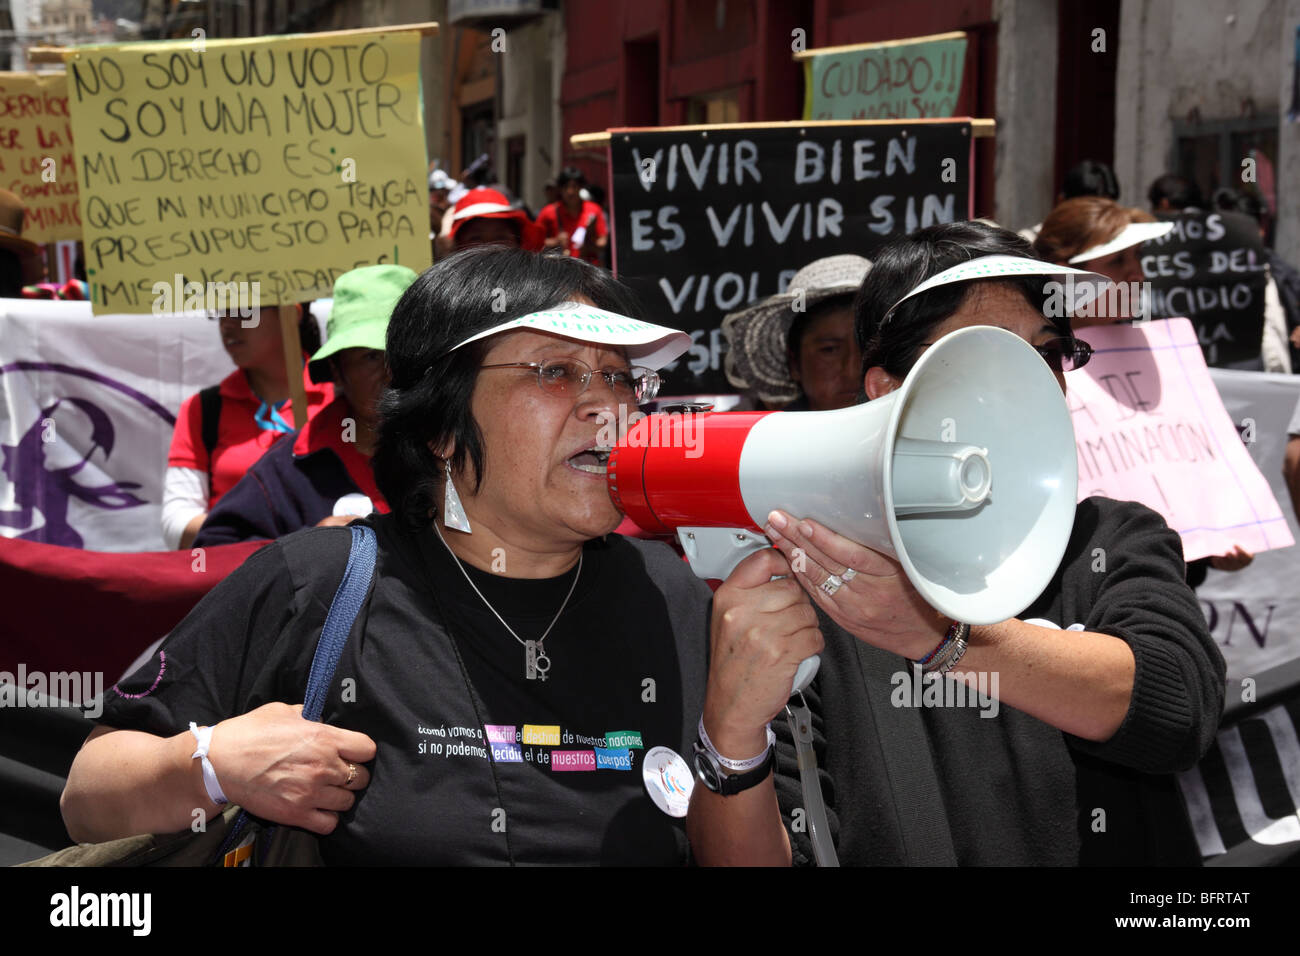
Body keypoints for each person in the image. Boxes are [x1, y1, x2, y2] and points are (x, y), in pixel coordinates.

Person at [61, 247, 766, 865]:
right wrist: (214, 765)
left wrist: (736, 739)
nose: (605, 406)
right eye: (556, 371)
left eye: (619, 377)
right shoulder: (317, 583)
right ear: (441, 428)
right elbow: (88, 797)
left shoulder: (677, 599)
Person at [688, 221, 1225, 866]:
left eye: (1047, 354)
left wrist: (944, 637)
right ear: (888, 391)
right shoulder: (808, 584)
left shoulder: (1109, 539)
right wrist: (732, 740)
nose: (1032, 383)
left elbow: (1178, 711)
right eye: (987, 356)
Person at [192, 266, 414, 546]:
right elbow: (213, 553)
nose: (391, 371)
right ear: (336, 369)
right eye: (371, 356)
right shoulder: (289, 470)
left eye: (406, 353)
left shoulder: (468, 448)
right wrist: (305, 551)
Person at [161, 304, 332, 549]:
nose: (227, 323)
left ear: (291, 313)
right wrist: (280, 543)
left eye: (245, 310)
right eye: (221, 310)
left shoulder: (340, 401)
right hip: (233, 581)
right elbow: (175, 524)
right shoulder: (204, 408)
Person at [722, 255, 872, 410]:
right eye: (830, 349)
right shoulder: (774, 433)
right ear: (794, 363)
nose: (853, 371)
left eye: (867, 347)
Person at [1032, 197, 1172, 325]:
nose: (1138, 276)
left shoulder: (1158, 344)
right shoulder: (1027, 350)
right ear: (1065, 276)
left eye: (1138, 254)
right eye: (1117, 261)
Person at [537, 166, 608, 264]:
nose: (570, 191)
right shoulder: (548, 212)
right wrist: (556, 242)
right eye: (566, 187)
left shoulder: (593, 210)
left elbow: (602, 242)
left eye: (574, 186)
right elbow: (535, 242)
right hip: (559, 268)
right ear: (560, 189)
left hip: (588, 268)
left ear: (581, 187)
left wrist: (589, 242)